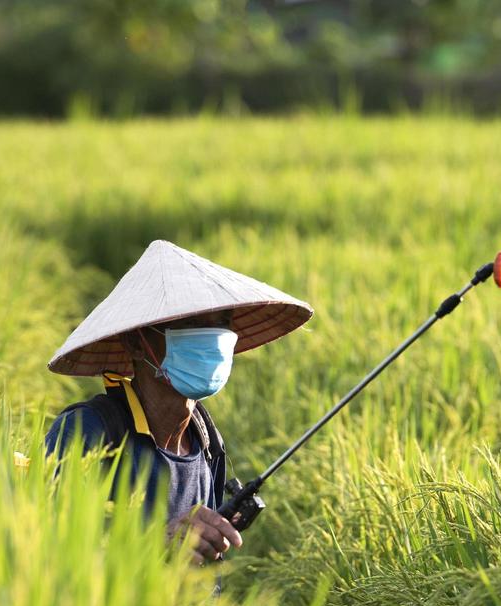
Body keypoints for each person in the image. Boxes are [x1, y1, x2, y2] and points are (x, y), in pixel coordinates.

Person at [43, 240, 313, 564]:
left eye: (223, 321)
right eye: (190, 322)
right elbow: (46, 549)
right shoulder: (89, 432)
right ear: (137, 342)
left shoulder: (206, 439)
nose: (212, 337)